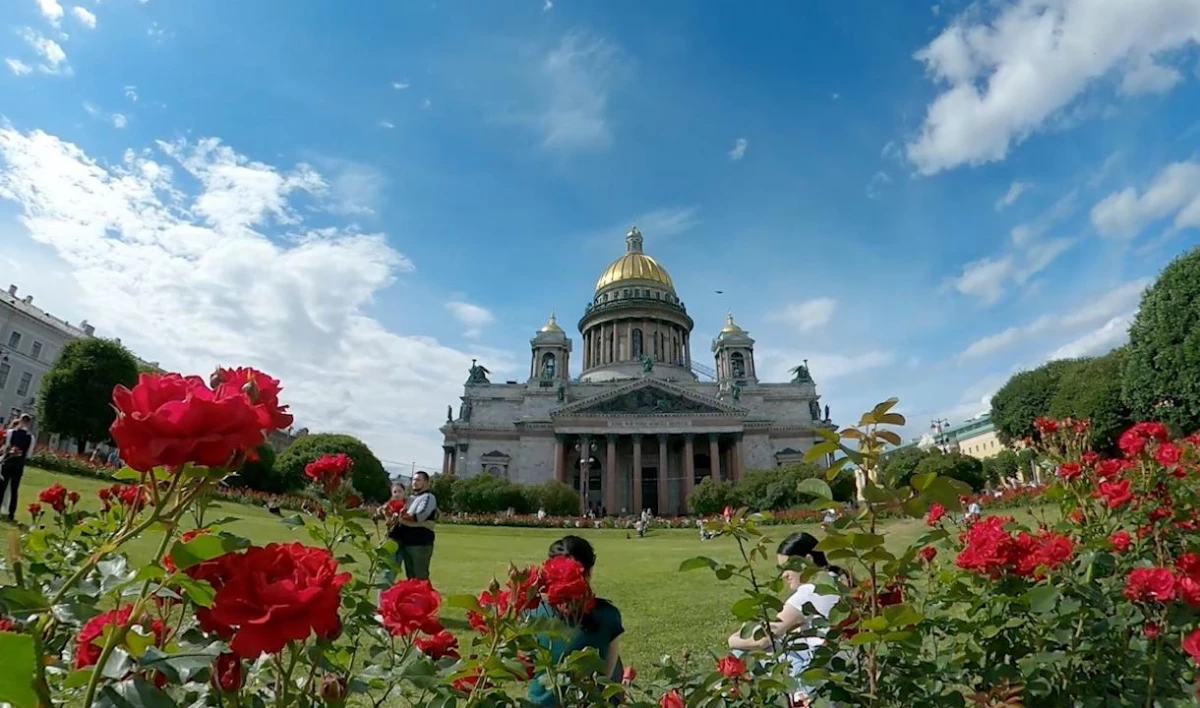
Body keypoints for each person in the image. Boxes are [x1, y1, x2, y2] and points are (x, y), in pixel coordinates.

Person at [727, 531, 846, 707]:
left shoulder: (808, 591)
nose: (784, 575)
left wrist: (732, 639)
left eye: (788, 567)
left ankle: (747, 696)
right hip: (842, 665)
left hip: (815, 674)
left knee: (746, 651)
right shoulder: (838, 578)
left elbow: (763, 639)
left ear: (808, 560)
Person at [528, 535, 624, 707]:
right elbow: (607, 675)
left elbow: (527, 666)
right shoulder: (609, 616)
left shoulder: (534, 611)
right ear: (589, 571)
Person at [390, 472, 437, 580]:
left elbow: (419, 516)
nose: (414, 482)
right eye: (413, 480)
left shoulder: (428, 497)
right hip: (407, 543)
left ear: (426, 482)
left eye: (418, 480)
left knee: (420, 576)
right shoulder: (410, 498)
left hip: (420, 543)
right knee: (411, 576)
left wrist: (401, 518)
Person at [0, 415, 34, 522]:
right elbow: (28, 454)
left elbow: (7, 446)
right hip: (19, 465)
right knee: (14, 489)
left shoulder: (10, 432)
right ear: (29, 423)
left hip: (8, 463)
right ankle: (11, 513)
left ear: (20, 420)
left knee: (2, 487)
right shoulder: (31, 438)